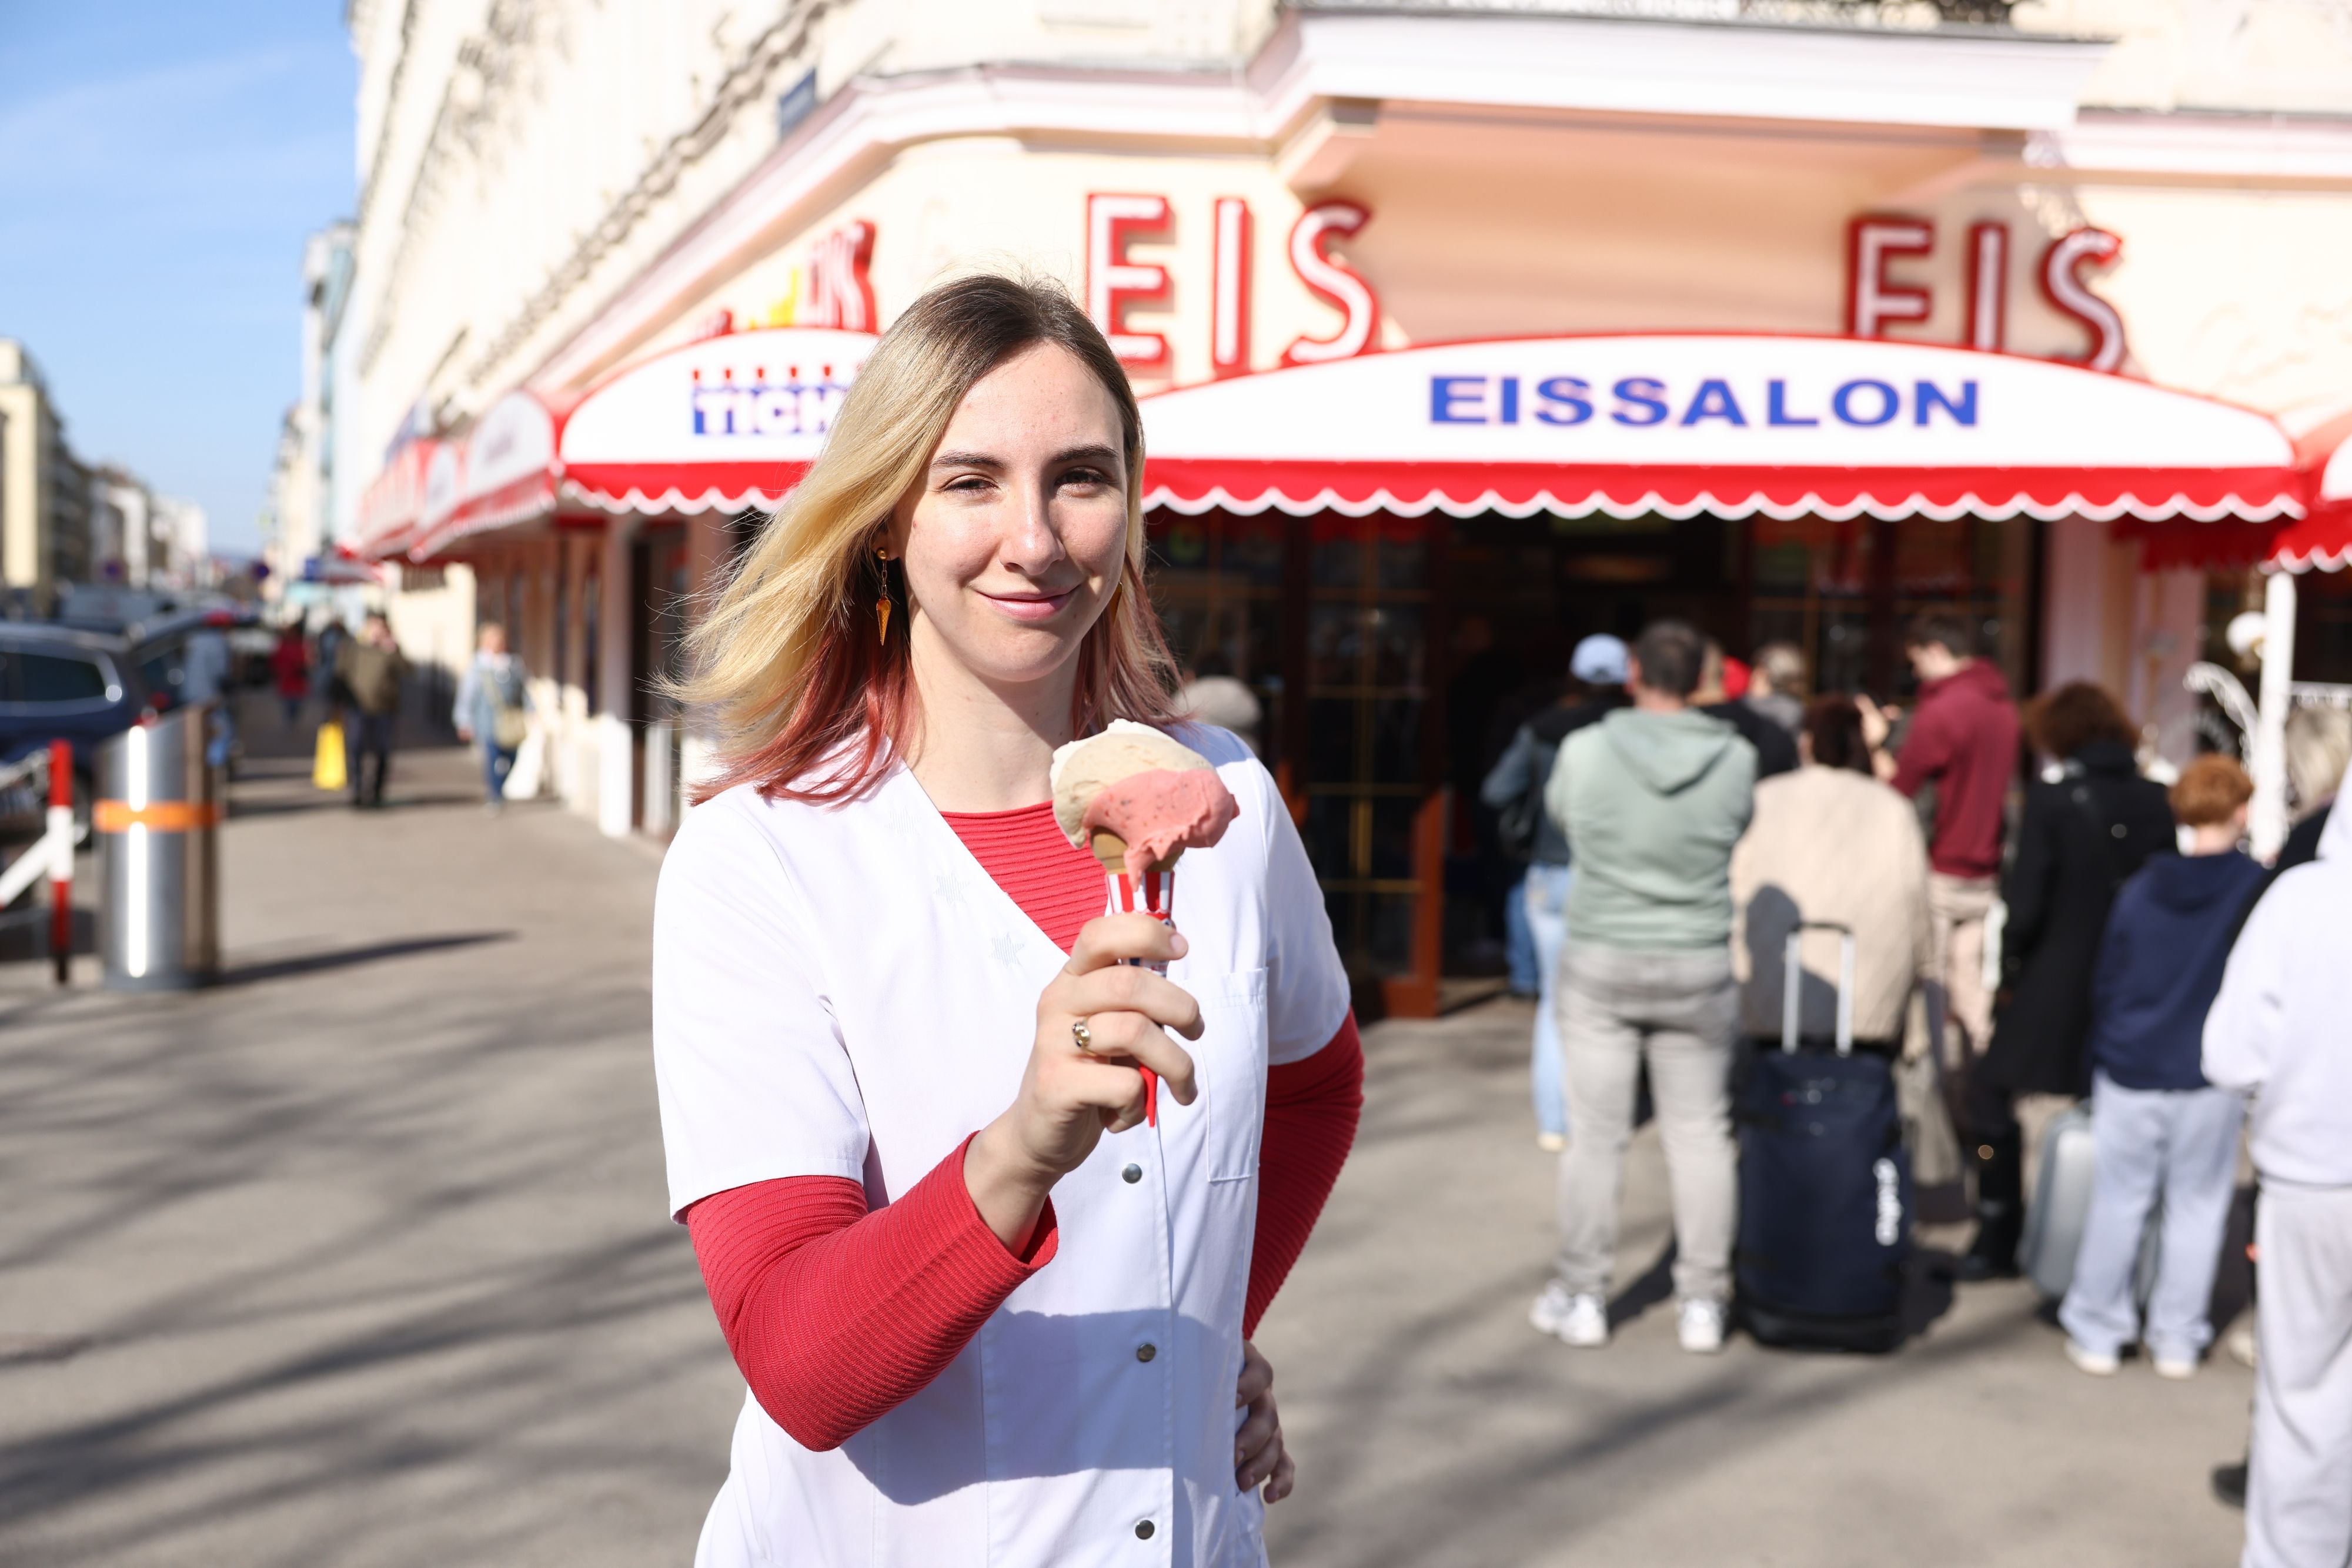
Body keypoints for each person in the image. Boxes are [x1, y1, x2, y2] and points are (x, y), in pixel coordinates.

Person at [650, 276, 1364, 1566]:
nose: (1033, 539)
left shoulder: (1228, 802)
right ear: (884, 520)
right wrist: (1021, 1146)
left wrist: (1192, 1337)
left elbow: (1315, 1083)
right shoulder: (757, 860)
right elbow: (799, 1363)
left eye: (1079, 477)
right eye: (969, 480)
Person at [1531, 619, 1756, 1355]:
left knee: (1596, 1136)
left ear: (1634, 673)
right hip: (1696, 957)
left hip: (1602, 953)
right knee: (1701, 1137)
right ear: (1700, 678)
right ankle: (1703, 1300)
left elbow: (1563, 816)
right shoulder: (1735, 758)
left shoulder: (1586, 750)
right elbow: (1740, 827)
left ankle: (1584, 1292)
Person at [2058, 755, 2265, 1378]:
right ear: (2241, 811)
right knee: (2197, 1207)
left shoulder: (2142, 887)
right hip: (2205, 1072)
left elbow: (2108, 978)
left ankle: (2099, 1328)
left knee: (2120, 1200)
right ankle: (2176, 1337)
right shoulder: (2254, 890)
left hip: (2131, 1061)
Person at [1959, 681, 2174, 1281]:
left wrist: (2007, 973)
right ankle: (2102, 1246)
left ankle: (1998, 1228)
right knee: (2108, 1109)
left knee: (1989, 1096)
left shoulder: (2052, 802)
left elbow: (2024, 903)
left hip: (2055, 979)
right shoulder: (2157, 800)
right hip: (2128, 983)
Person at [2202, 757, 2352, 1568]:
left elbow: (2230, 1053)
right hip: (2309, 1172)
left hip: (2310, 1176)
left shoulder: (2302, 899)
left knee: (2303, 1390)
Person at [1865, 616, 2019, 1144]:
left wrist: (1877, 743)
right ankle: (1981, 1101)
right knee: (1972, 994)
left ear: (1933, 651)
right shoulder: (2002, 708)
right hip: (1984, 867)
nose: (1915, 672)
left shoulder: (1944, 710)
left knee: (1929, 991)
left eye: (1915, 661)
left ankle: (1936, 1115)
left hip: (1941, 867)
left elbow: (1898, 789)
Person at [1481, 632, 1630, 1151]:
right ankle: (1602, 1116)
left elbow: (1497, 789)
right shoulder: (1632, 733)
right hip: (1609, 874)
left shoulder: (1542, 729)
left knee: (1554, 1000)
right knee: (1610, 1001)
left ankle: (1554, 1120)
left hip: (1549, 872)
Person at [1729, 694, 1931, 1057]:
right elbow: (1915, 898)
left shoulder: (1764, 797)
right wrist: (1922, 967)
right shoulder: (1891, 806)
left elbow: (1736, 884)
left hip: (1774, 982)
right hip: (1865, 991)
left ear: (1806, 741)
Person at [453, 621, 530, 812]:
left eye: (500, 639)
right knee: (492, 758)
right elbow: (467, 696)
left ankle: (499, 787)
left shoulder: (513, 664)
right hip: (487, 721)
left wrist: (531, 709)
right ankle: (494, 795)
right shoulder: (478, 667)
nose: (498, 643)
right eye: (494, 639)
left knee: (512, 756)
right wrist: (464, 721)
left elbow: (523, 690)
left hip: (510, 720)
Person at [336, 612, 407, 809]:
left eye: (381, 627)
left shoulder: (390, 650)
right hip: (358, 708)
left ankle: (377, 792)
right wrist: (338, 702)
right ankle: (357, 791)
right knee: (357, 749)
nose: (377, 631)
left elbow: (407, 671)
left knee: (383, 751)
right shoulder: (354, 648)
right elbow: (341, 674)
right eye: (374, 626)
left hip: (385, 708)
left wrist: (394, 650)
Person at [1697, 638, 1798, 779]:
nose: (1752, 677)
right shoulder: (1799, 716)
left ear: (1764, 676)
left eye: (1758, 671)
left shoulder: (1750, 715)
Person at [1173, 650, 1261, 754]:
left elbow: (1173, 724)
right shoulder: (1238, 689)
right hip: (1240, 755)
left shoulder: (1189, 693)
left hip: (1200, 757)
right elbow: (1254, 715)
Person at [1746, 641, 1806, 735]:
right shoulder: (1801, 714)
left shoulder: (1749, 712)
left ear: (1763, 675)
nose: (1751, 678)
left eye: (1756, 672)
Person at [270, 622, 310, 727]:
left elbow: (306, 661)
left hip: (297, 681)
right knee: (288, 704)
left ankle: (292, 721)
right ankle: (289, 722)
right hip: (287, 679)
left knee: (296, 705)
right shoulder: (283, 645)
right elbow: (276, 660)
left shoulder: (301, 645)